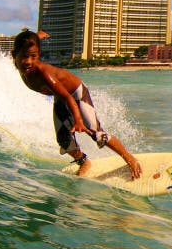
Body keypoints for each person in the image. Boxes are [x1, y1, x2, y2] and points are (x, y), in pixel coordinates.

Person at [11, 30, 141, 179]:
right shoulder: (23, 64)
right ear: (14, 56)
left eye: (33, 56)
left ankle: (129, 157)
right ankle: (83, 161)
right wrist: (39, 35)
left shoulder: (43, 73)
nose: (28, 61)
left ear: (38, 54)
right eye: (24, 57)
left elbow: (68, 97)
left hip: (76, 94)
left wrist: (78, 120)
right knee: (63, 140)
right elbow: (30, 45)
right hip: (60, 97)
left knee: (96, 133)